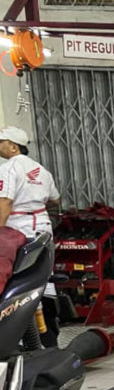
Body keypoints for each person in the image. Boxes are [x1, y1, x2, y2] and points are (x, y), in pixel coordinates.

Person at [0, 126, 62, 345]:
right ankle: (49, 335)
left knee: (18, 283)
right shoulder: (41, 170)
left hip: (18, 229)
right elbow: (54, 199)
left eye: (1, 142)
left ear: (13, 146)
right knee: (44, 279)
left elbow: (5, 202)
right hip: (43, 227)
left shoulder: (8, 168)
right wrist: (34, 202)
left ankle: (21, 338)